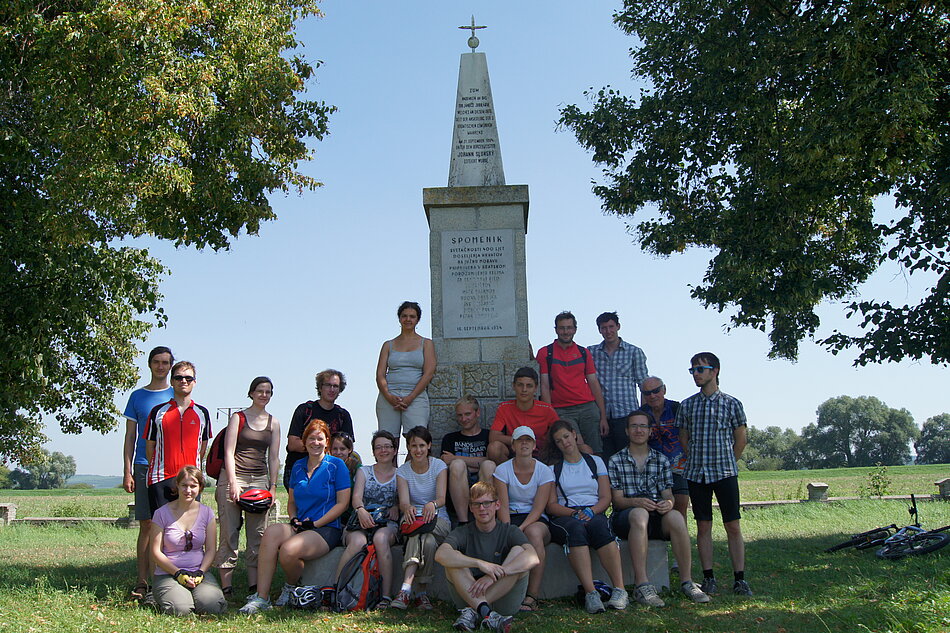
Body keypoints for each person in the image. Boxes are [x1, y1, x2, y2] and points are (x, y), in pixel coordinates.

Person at [239, 419, 352, 614]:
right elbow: (292, 502)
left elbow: (343, 504)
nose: (315, 443)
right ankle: (262, 597)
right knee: (271, 532)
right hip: (300, 525)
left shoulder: (336, 465)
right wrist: (293, 519)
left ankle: (290, 587)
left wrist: (315, 523)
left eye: (320, 439)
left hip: (326, 527)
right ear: (304, 441)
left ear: (327, 442)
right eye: (311, 438)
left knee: (288, 550)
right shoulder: (298, 466)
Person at [608, 411, 710, 607]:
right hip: (627, 518)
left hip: (655, 515)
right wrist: (636, 502)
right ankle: (642, 585)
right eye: (634, 426)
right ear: (627, 431)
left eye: (643, 426)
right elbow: (617, 501)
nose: (638, 430)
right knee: (640, 514)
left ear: (650, 431)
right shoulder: (616, 460)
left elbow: (668, 495)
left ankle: (687, 581)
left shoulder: (661, 460)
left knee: (677, 517)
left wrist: (668, 503)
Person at [675, 352, 751, 597]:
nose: (695, 374)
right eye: (692, 370)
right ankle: (708, 577)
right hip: (697, 474)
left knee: (733, 525)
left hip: (725, 472)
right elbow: (683, 438)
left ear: (715, 371)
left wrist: (728, 461)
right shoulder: (687, 405)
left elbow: (741, 439)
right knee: (703, 525)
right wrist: (696, 458)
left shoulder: (732, 403)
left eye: (700, 369)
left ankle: (740, 579)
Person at [544, 419, 628, 614]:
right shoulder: (553, 469)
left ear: (574, 434)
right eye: (559, 441)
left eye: (566, 436)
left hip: (594, 510)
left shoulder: (595, 462)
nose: (565, 442)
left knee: (600, 527)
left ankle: (620, 589)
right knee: (575, 530)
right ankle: (591, 593)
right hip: (568, 514)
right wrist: (574, 513)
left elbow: (606, 497)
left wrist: (592, 510)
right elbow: (551, 505)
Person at [436, 481, 539, 633]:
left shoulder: (509, 531)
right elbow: (441, 554)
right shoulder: (463, 532)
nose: (482, 508)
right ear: (471, 508)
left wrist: (495, 575)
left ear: (497, 505)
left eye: (487, 503)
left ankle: (475, 611)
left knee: (519, 552)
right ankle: (487, 614)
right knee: (453, 559)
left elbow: (533, 557)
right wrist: (479, 563)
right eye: (477, 504)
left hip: (502, 599)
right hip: (470, 592)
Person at [213, 376, 281, 598]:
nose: (264, 395)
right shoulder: (238, 418)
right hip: (234, 477)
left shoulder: (274, 422)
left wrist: (272, 486)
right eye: (260, 390)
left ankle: (254, 585)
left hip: (259, 479)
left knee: (257, 534)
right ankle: (227, 586)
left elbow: (274, 457)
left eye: (268, 392)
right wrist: (233, 482)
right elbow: (229, 451)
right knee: (229, 532)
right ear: (251, 393)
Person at [121, 345, 174, 602]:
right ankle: (142, 582)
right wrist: (127, 470)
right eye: (157, 362)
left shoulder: (178, 393)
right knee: (146, 524)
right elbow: (130, 436)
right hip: (144, 465)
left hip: (172, 468)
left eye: (165, 362)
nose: (161, 366)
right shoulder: (137, 397)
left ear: (171, 366)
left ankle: (168, 580)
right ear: (150, 364)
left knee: (172, 526)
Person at [334, 430, 400, 609]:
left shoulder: (400, 474)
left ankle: (385, 596)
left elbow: (403, 500)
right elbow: (356, 497)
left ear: (394, 450)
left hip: (387, 523)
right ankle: (336, 589)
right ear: (373, 451)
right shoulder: (364, 471)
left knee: (381, 539)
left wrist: (396, 507)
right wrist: (360, 510)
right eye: (379, 447)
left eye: (387, 446)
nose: (383, 450)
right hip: (361, 519)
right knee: (357, 542)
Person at [149, 465, 227, 616]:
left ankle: (196, 594)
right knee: (181, 610)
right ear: (177, 486)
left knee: (212, 607)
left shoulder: (207, 513)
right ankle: (170, 596)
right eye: (184, 485)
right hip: (168, 574)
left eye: (193, 486)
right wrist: (178, 573)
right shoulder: (161, 514)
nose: (188, 490)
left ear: (200, 488)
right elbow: (155, 552)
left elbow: (211, 550)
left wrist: (200, 572)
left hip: (198, 573)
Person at [492, 426, 554, 612]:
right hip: (510, 515)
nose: (524, 443)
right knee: (502, 536)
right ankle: (500, 592)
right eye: (520, 440)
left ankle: (532, 595)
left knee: (533, 533)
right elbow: (503, 505)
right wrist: (508, 529)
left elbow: (539, 508)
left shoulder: (544, 471)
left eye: (528, 440)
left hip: (535, 518)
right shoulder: (502, 470)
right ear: (513, 446)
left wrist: (520, 529)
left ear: (534, 445)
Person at [391, 426, 450, 610]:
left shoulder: (439, 466)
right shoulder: (403, 471)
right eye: (414, 446)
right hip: (413, 518)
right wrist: (407, 507)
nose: (418, 450)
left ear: (429, 445)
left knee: (420, 534)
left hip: (437, 518)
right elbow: (404, 502)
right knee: (427, 541)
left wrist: (432, 504)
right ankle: (421, 594)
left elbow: (441, 499)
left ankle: (405, 590)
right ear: (408, 447)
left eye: (422, 445)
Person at [144, 361, 212, 515]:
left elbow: (202, 447)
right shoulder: (158, 412)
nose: (183, 381)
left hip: (191, 480)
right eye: (179, 377)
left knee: (189, 526)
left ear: (194, 382)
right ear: (172, 381)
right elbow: (150, 446)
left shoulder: (202, 413)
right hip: (161, 478)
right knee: (161, 525)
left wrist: (192, 471)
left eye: (188, 378)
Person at [537, 311, 609, 456]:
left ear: (575, 329)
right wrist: (549, 415)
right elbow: (544, 386)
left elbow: (593, 383)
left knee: (596, 450)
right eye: (562, 328)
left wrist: (603, 416)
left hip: (588, 407)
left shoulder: (583, 352)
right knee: (576, 449)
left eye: (569, 328)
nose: (566, 332)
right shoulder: (545, 353)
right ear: (556, 330)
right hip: (562, 410)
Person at [489, 366, 584, 466]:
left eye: (529, 386)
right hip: (515, 453)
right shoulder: (504, 408)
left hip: (541, 454)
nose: (524, 389)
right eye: (520, 385)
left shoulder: (547, 409)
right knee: (494, 448)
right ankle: (509, 474)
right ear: (513, 386)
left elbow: (560, 432)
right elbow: (493, 437)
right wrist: (522, 441)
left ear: (535, 388)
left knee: (585, 449)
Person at [588, 312, 649, 458]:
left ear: (618, 327)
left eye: (611, 327)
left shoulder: (634, 352)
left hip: (626, 414)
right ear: (599, 330)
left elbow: (643, 385)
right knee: (605, 459)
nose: (608, 331)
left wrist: (643, 416)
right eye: (604, 328)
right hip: (602, 415)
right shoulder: (591, 352)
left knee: (628, 457)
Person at [284, 368, 355, 490]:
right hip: (299, 471)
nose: (331, 389)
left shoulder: (343, 415)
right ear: (320, 387)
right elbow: (293, 444)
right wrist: (321, 448)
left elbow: (347, 447)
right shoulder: (305, 410)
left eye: (335, 386)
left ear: (340, 390)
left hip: (330, 473)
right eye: (328, 385)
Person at [376, 301, 437, 437]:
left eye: (412, 316)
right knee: (387, 440)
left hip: (416, 397)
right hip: (389, 397)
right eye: (404, 316)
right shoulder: (388, 345)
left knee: (417, 439)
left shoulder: (426, 343)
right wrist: (389, 396)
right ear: (399, 318)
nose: (408, 319)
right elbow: (380, 375)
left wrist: (410, 397)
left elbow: (428, 373)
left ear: (418, 320)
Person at [638, 376, 689, 520]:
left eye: (656, 391)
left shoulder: (677, 409)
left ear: (664, 389)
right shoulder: (640, 414)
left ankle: (682, 535)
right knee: (654, 511)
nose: (652, 396)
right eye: (647, 393)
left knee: (680, 509)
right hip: (652, 470)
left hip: (679, 467)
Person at [442, 395, 495, 525]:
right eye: (460, 415)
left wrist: (455, 458)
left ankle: (486, 520)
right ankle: (463, 522)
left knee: (488, 465)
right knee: (457, 466)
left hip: (484, 479)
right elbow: (446, 463)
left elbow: (491, 461)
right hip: (458, 484)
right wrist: (475, 462)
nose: (463, 419)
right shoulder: (450, 438)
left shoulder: (488, 436)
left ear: (477, 413)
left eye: (467, 414)